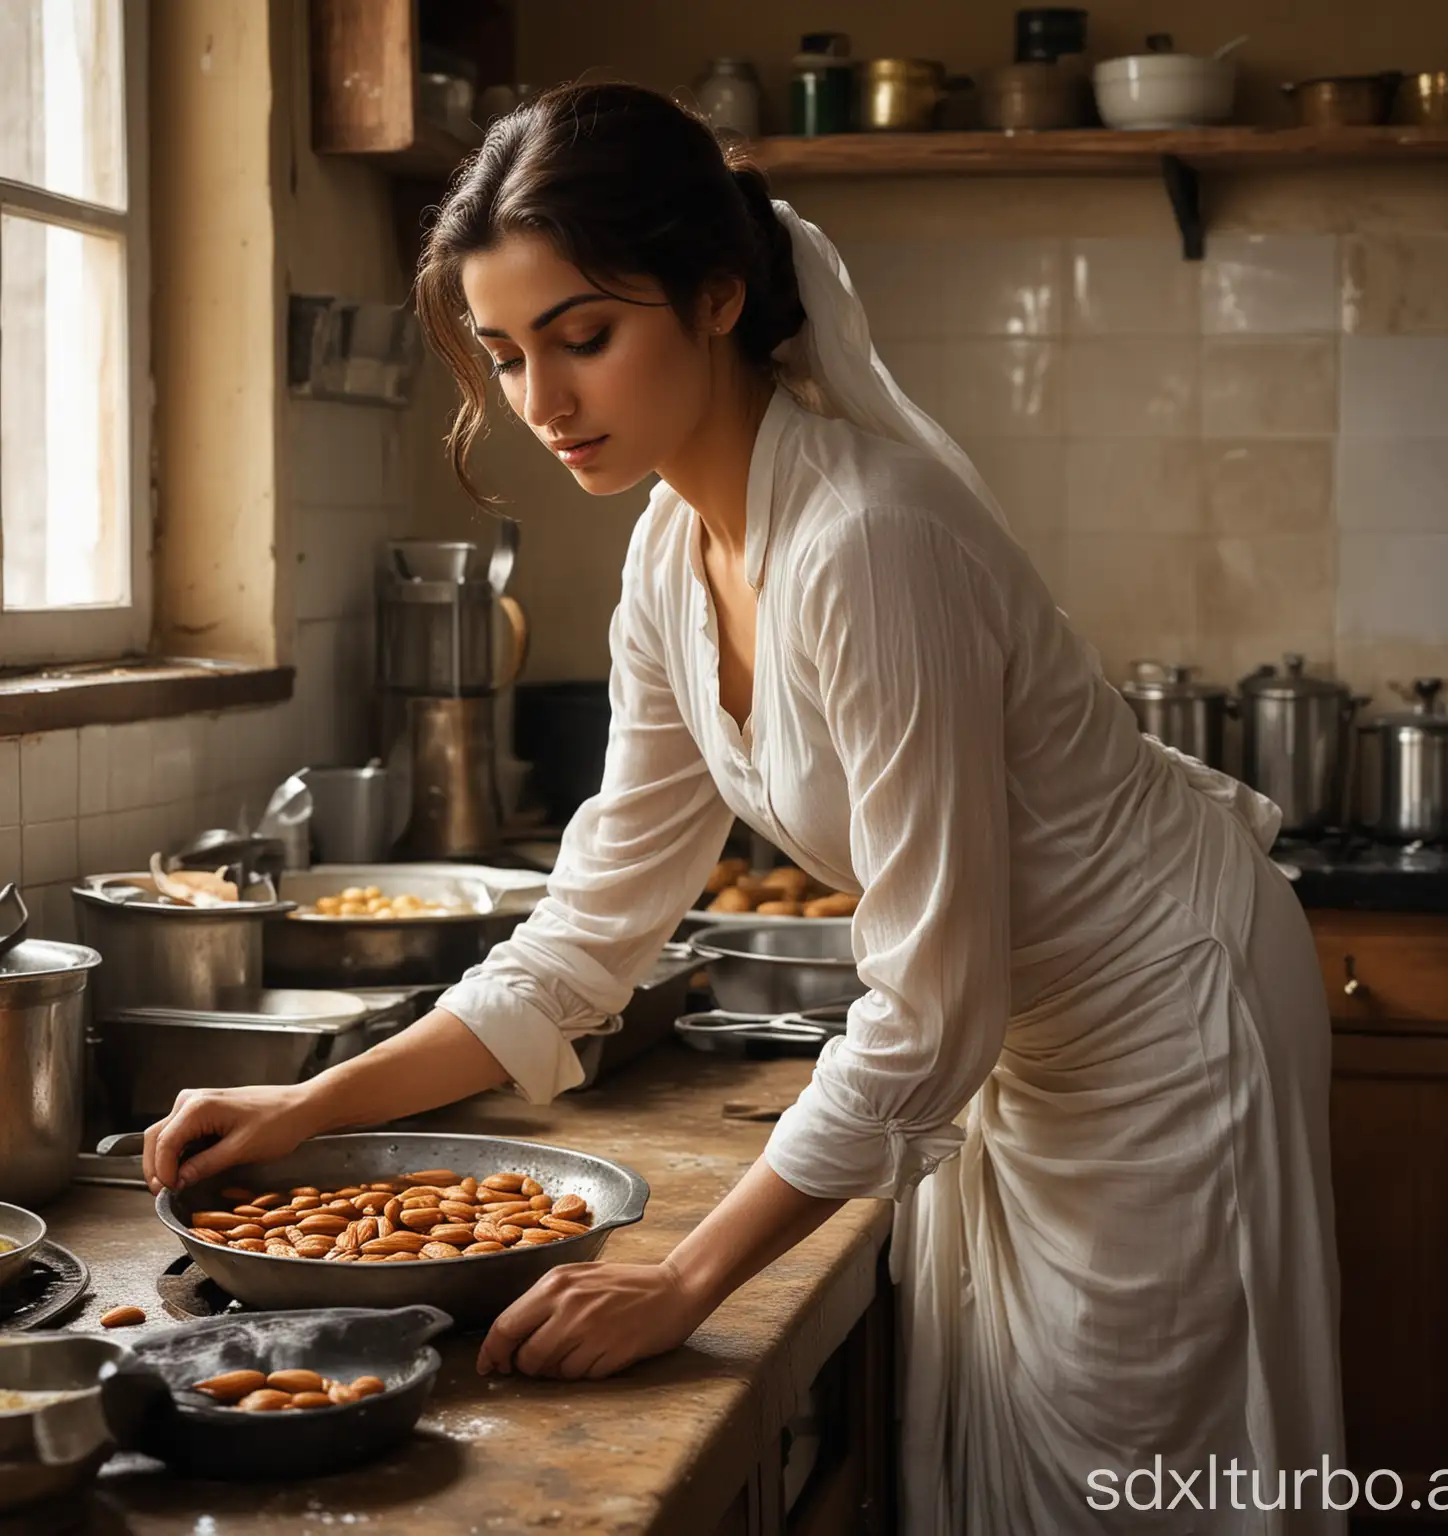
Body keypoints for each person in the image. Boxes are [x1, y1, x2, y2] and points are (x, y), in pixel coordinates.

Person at [143, 83, 1346, 1533]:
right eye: (511, 354)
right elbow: (587, 936)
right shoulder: (670, 554)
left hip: (1168, 1011)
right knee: (1029, 1452)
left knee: (1143, 1473)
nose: (543, 404)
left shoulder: (869, 547)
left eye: (586, 336)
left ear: (717, 295)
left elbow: (927, 1002)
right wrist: (309, 1106)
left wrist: (687, 1276)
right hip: (1014, 1038)